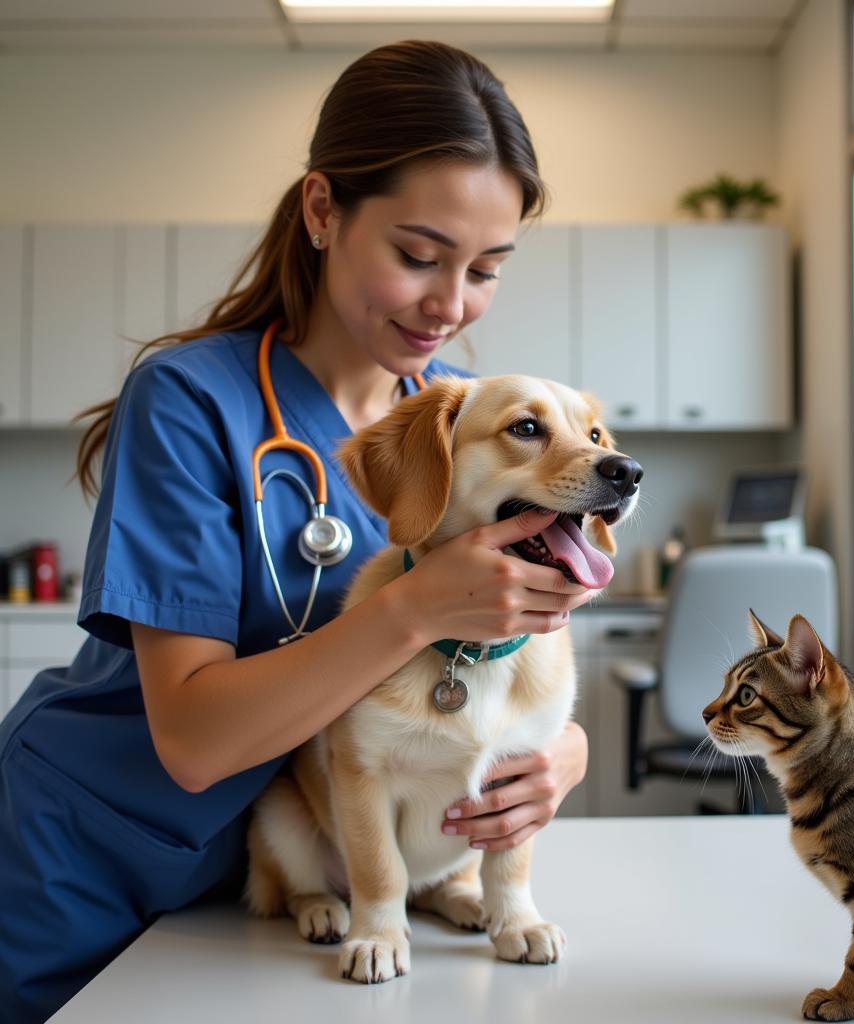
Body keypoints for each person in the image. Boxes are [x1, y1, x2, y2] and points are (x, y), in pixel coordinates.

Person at [0, 40, 595, 1022]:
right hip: (85, 859)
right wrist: (411, 606)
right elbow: (193, 740)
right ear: (323, 210)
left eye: (485, 268)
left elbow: (489, 655)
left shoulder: (449, 428)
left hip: (255, 879)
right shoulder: (192, 401)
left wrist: (556, 749)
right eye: (418, 255)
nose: (451, 305)